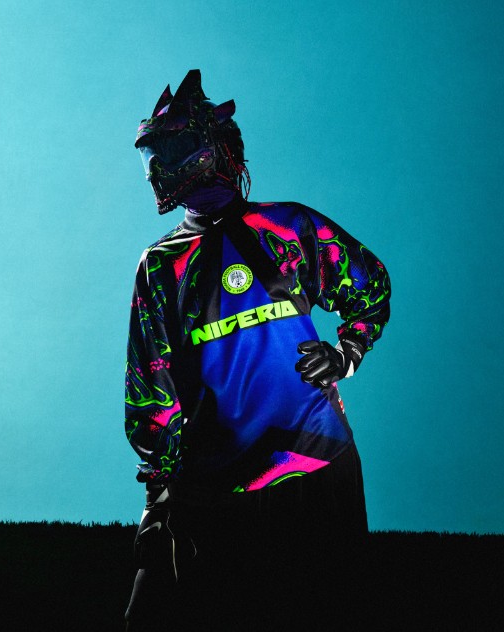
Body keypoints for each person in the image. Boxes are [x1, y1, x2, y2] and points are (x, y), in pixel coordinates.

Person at [123, 70, 390, 630]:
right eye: (153, 154)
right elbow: (152, 386)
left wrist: (347, 353)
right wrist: (159, 493)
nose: (157, 168)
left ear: (212, 148)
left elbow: (369, 287)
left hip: (318, 462)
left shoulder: (286, 226)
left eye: (172, 149)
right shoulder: (161, 266)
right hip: (217, 486)